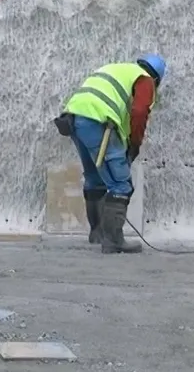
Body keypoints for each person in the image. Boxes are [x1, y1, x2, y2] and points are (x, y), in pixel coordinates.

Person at [53, 54, 166, 254]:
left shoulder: (116, 68)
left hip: (75, 119)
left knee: (94, 178)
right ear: (156, 78)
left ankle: (97, 233)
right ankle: (113, 240)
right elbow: (139, 112)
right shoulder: (145, 80)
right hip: (98, 121)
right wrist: (134, 145)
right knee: (121, 184)